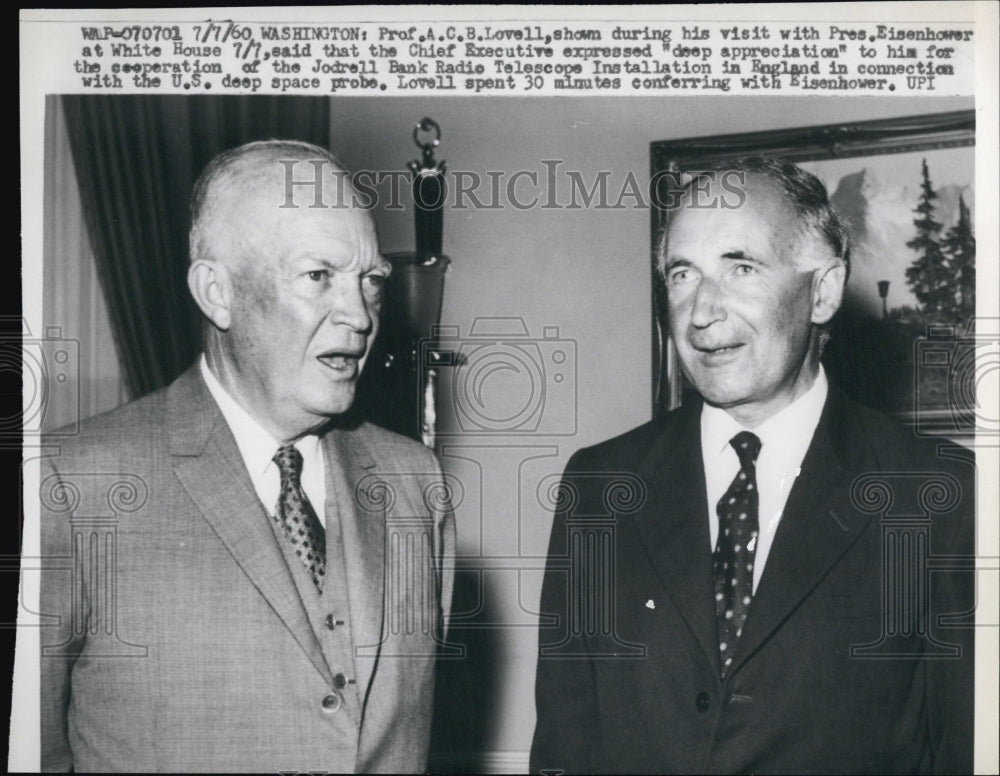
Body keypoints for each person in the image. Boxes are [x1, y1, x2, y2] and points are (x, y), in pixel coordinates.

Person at [531, 157, 974, 774]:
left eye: (741, 267)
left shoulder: (940, 493)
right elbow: (564, 744)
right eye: (682, 274)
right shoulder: (599, 486)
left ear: (823, 291)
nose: (702, 312)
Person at [39, 140, 454, 773]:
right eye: (319, 276)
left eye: (370, 281)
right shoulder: (71, 484)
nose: (359, 315)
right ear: (218, 292)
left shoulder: (416, 484)